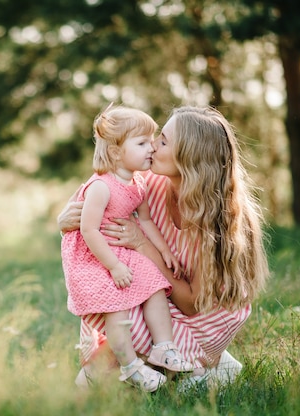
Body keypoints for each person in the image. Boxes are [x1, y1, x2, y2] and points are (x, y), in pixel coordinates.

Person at [58, 105, 269, 389]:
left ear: (190, 158)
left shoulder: (215, 223)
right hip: (159, 295)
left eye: (164, 141)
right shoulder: (148, 183)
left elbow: (192, 304)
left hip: (203, 318)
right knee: (113, 301)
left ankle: (205, 366)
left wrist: (144, 246)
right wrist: (66, 218)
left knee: (125, 318)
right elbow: (94, 197)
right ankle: (139, 368)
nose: (153, 146)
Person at [61, 104, 193, 393]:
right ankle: (130, 366)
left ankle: (164, 347)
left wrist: (165, 251)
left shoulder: (138, 182)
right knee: (116, 309)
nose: (152, 148)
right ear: (116, 151)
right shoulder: (102, 187)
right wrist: (114, 266)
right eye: (143, 143)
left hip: (121, 251)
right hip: (95, 258)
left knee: (156, 285)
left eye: (153, 140)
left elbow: (144, 221)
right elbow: (88, 230)